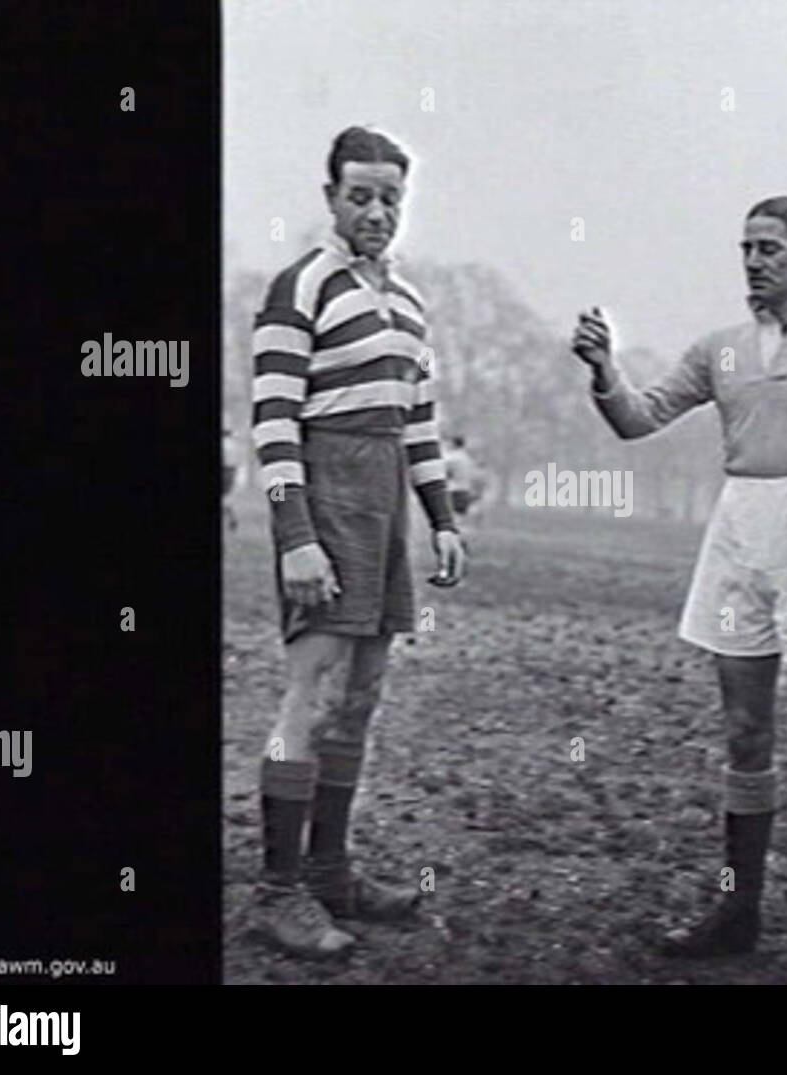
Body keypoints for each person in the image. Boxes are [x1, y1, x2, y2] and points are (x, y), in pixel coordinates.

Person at [570, 196, 787, 983]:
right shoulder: (721, 348)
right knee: (743, 732)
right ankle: (738, 912)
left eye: (770, 248)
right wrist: (605, 370)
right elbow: (640, 419)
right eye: (745, 248)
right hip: (740, 533)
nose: (754, 261)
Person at [248, 126, 465, 957]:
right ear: (331, 196)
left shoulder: (408, 302)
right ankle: (276, 890)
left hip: (385, 508)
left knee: (361, 695)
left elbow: (419, 423)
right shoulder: (300, 285)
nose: (377, 212)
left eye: (390, 199)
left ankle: (331, 871)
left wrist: (443, 518)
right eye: (361, 196)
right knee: (312, 692)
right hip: (324, 495)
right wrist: (296, 537)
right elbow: (272, 423)